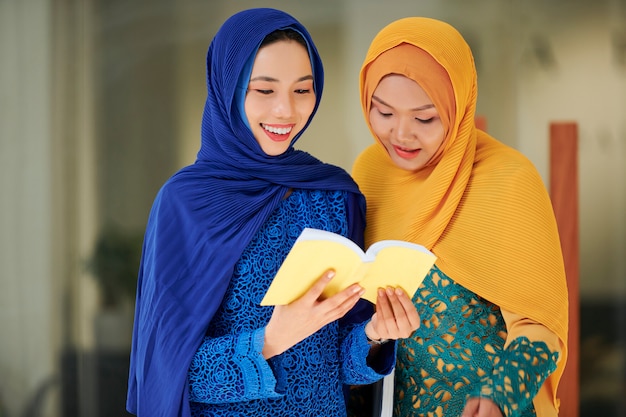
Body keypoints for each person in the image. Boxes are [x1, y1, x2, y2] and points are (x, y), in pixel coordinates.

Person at [126, 8, 420, 417]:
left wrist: (375, 335)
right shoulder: (185, 204)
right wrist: (270, 340)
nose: (286, 111)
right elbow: (165, 375)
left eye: (302, 90)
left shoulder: (334, 194)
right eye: (264, 91)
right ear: (228, 89)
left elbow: (342, 360)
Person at [350, 16, 569, 417]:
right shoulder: (368, 174)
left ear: (459, 106)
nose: (401, 134)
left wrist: (499, 397)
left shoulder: (509, 180)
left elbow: (541, 326)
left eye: (425, 117)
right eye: (383, 113)